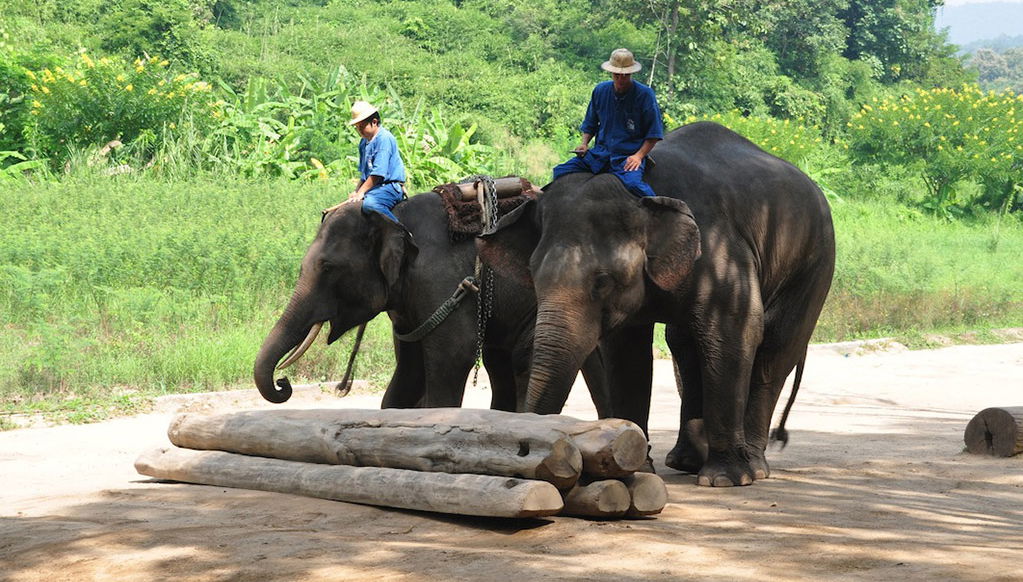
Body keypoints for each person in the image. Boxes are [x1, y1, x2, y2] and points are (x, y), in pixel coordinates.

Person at [552, 48, 664, 198]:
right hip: (600, 153)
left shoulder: (645, 95)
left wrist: (638, 156)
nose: (620, 79)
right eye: (617, 75)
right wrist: (584, 144)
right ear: (611, 73)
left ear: (631, 74)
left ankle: (660, 211)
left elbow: (654, 133)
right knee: (560, 171)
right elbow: (590, 123)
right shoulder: (600, 91)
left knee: (634, 185)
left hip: (626, 156)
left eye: (625, 76)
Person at [324, 100, 407, 221]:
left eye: (362, 126)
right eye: (357, 128)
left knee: (371, 205)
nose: (359, 131)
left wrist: (361, 193)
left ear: (374, 122)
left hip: (389, 188)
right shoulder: (363, 142)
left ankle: (398, 231)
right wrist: (356, 191)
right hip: (374, 188)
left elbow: (378, 173)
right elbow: (365, 175)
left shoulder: (384, 139)